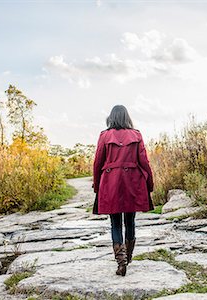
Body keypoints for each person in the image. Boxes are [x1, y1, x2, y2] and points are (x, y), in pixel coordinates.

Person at [92, 105, 154, 276]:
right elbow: (144, 162)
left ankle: (121, 262)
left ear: (111, 118)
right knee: (130, 221)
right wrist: (149, 184)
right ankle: (129, 256)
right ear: (127, 117)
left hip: (110, 182)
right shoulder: (136, 134)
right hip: (133, 182)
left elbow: (98, 163)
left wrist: (98, 186)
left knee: (115, 223)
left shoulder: (104, 136)